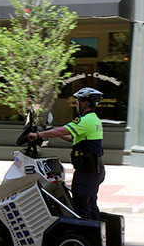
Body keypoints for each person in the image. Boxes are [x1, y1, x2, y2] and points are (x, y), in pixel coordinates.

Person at [27, 87, 105, 220]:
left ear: (86, 103)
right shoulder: (94, 120)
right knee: (90, 204)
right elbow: (73, 138)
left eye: (78, 101)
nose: (76, 104)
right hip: (95, 170)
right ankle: (97, 235)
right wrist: (52, 133)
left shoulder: (84, 120)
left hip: (87, 171)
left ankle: (85, 237)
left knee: (81, 206)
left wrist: (38, 134)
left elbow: (62, 131)